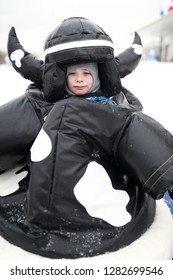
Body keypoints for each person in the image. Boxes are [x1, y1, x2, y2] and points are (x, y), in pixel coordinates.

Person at [0, 17, 173, 260]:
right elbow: (12, 129)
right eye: (73, 74)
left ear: (100, 75)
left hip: (105, 201)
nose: (80, 79)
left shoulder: (113, 112)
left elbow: (141, 141)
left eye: (86, 73)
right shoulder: (42, 105)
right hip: (37, 195)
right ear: (60, 76)